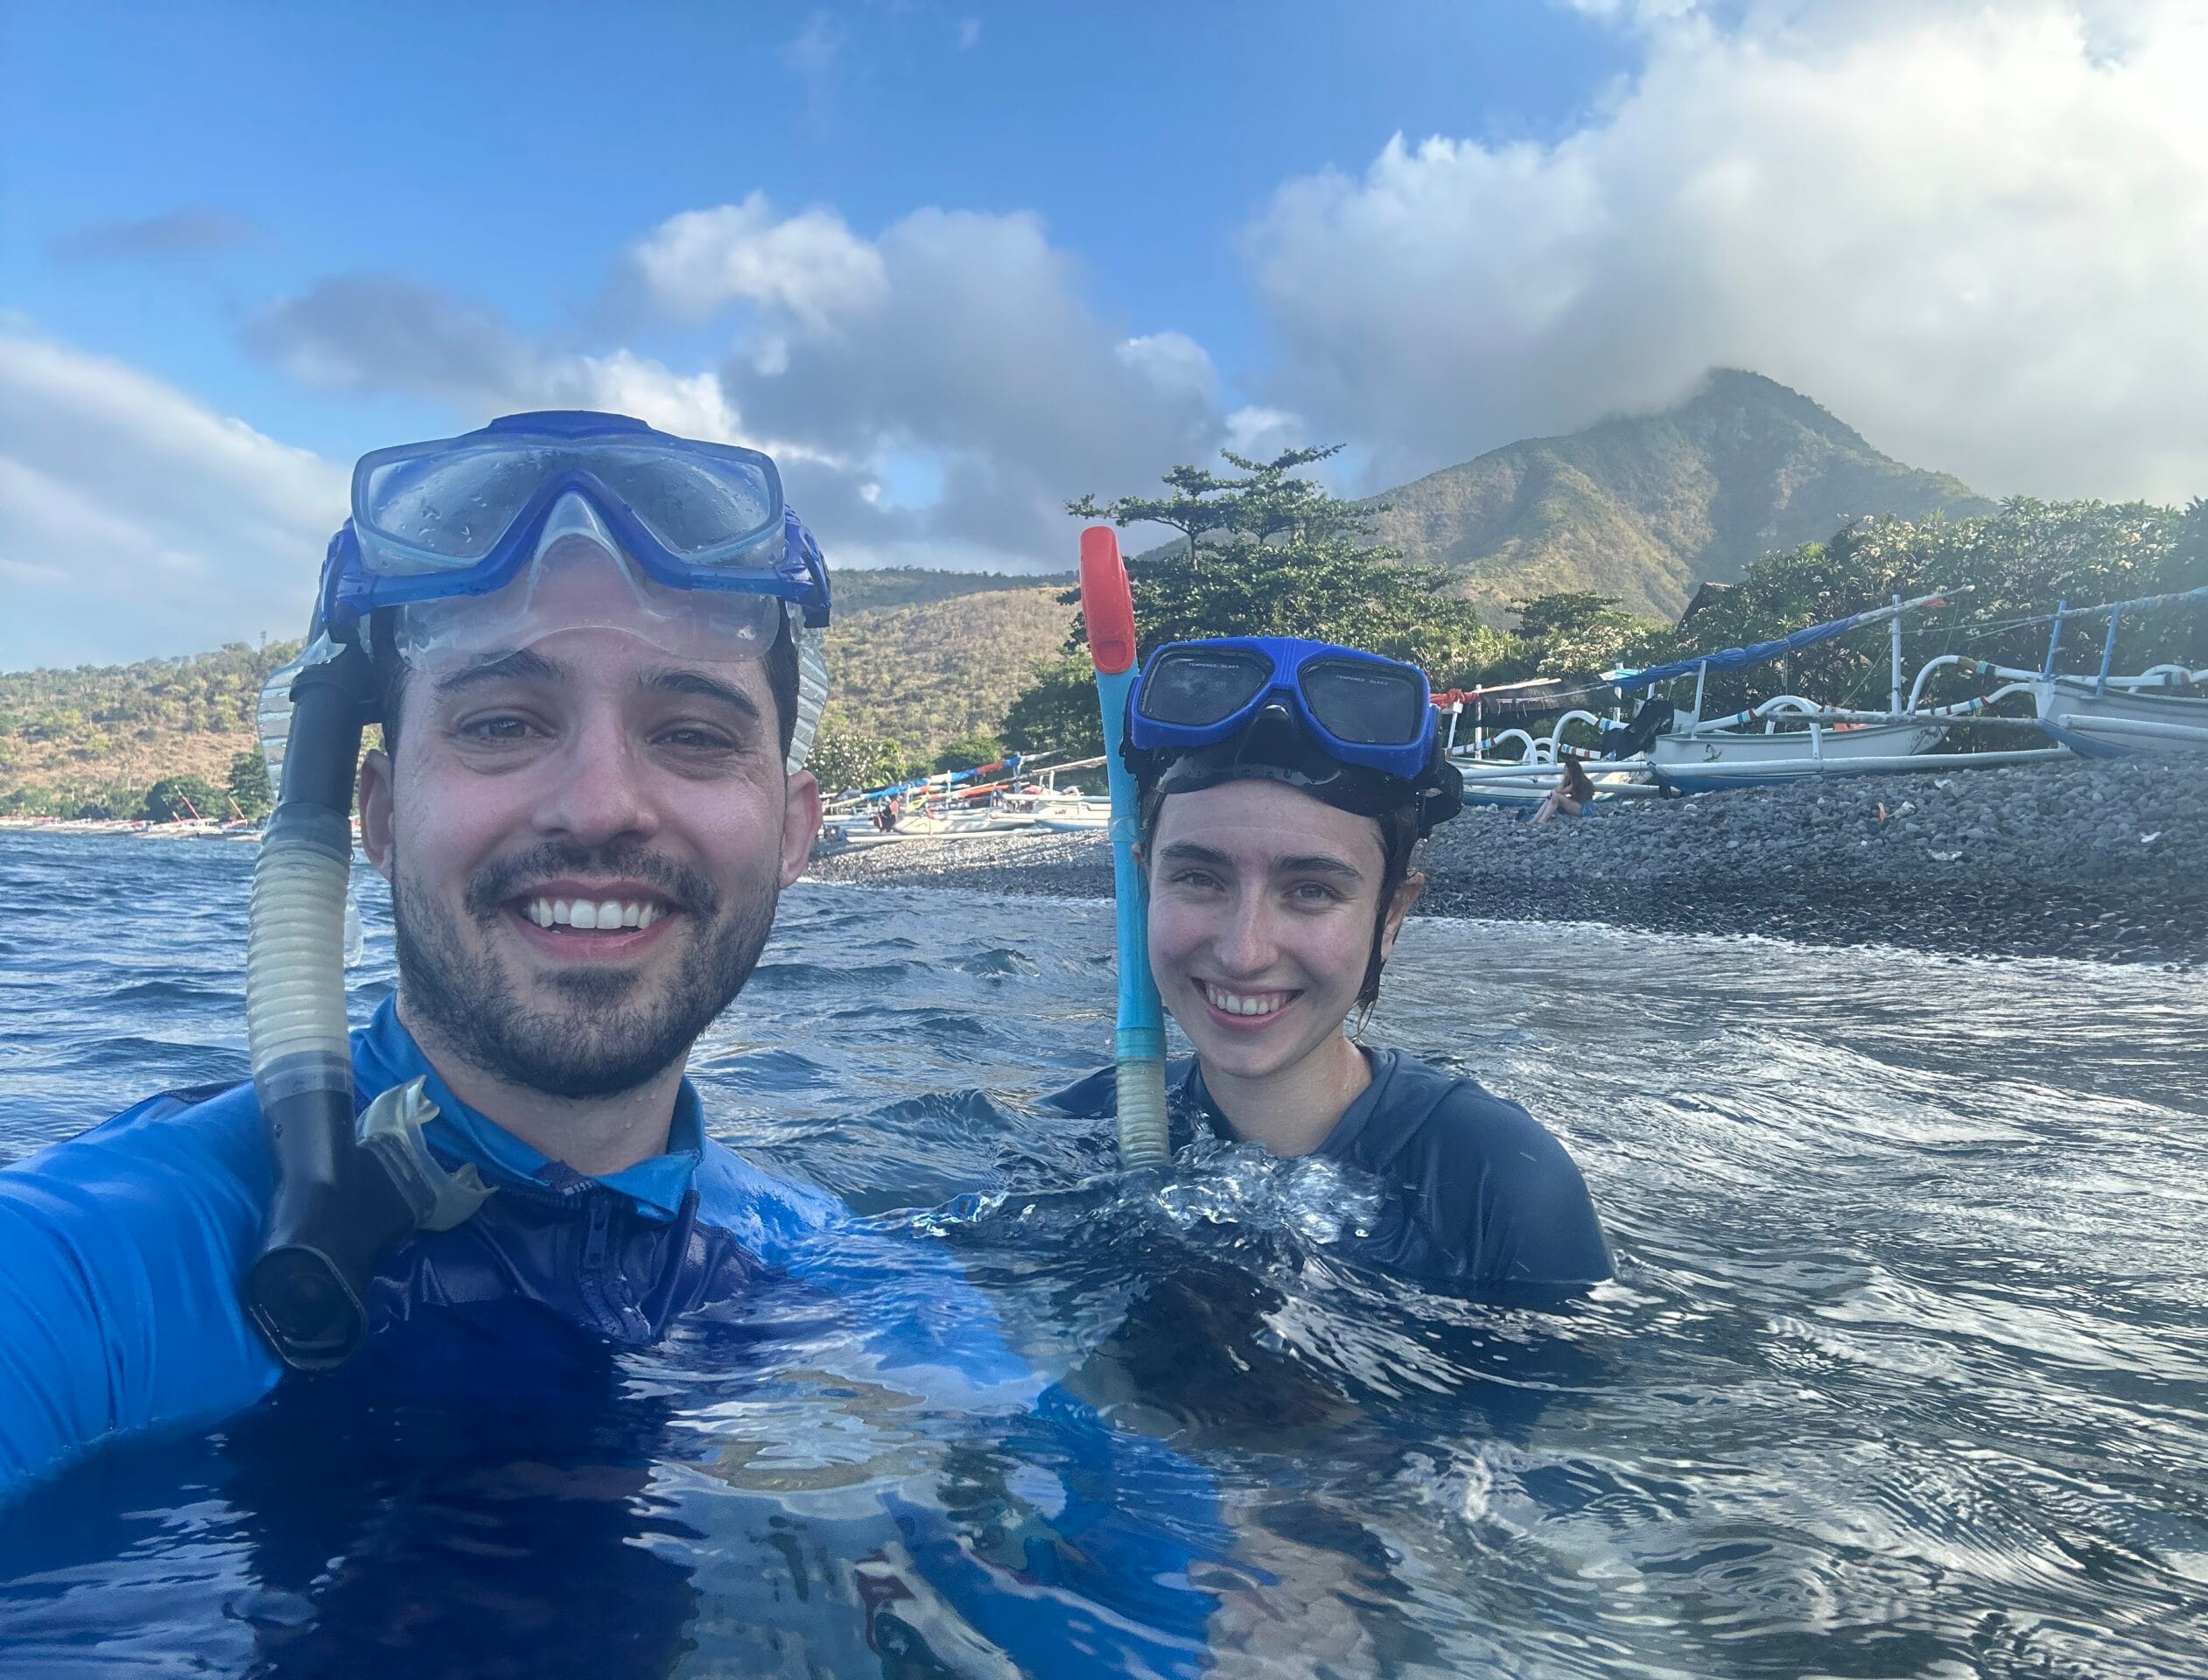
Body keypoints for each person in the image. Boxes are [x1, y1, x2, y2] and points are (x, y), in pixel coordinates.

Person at [0, 412, 1223, 1674]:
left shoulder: (845, 1283)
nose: (598, 805)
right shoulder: (101, 1272)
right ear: (376, 813)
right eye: (501, 723)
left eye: (691, 734)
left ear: (794, 831)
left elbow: (1154, 1591)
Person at [1051, 635, 1611, 1296]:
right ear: (1146, 885)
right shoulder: (1078, 1132)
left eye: (1312, 890)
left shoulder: (1500, 1185)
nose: (1243, 953)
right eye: (1199, 878)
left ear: (1390, 916)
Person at [1530, 755, 1597, 823]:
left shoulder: (1576, 783)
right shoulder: (1573, 781)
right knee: (1552, 797)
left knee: (1556, 796)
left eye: (1565, 770)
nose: (1563, 771)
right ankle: (1537, 819)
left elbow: (1558, 792)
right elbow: (1557, 792)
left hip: (1584, 809)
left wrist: (1563, 780)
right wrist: (1556, 789)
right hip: (1579, 806)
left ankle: (1540, 820)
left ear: (1571, 771)